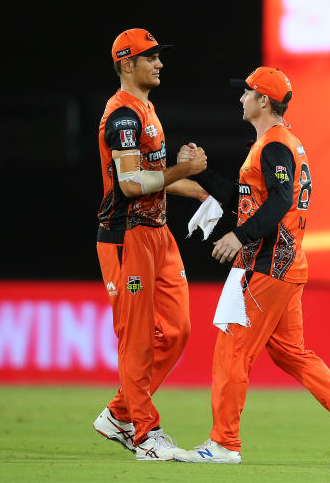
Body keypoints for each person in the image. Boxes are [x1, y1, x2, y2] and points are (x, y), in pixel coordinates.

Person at [172, 66, 330, 466]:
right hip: (286, 263)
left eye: (246, 92)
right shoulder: (279, 144)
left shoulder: (273, 146)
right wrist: (202, 174)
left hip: (268, 264)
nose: (241, 99)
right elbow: (244, 197)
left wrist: (240, 236)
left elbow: (281, 199)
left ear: (263, 100)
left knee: (232, 347)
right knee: (290, 353)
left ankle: (223, 444)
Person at [92, 28, 210, 461]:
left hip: (158, 235)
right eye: (151, 57)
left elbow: (151, 178)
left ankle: (119, 412)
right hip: (127, 238)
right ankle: (145, 434)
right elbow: (128, 184)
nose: (159, 63)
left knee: (177, 331)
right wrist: (182, 170)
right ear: (126, 64)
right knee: (137, 339)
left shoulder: (145, 108)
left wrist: (195, 188)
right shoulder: (123, 116)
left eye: (159, 56)